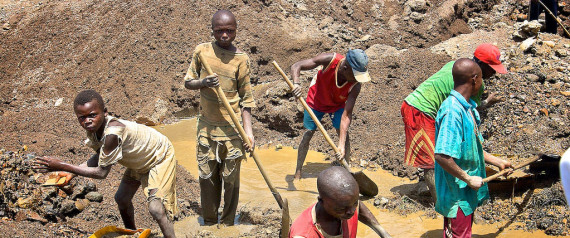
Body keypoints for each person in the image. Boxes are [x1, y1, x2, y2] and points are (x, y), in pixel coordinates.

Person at [34, 90, 177, 238]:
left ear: (105, 112)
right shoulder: (95, 130)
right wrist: (71, 173)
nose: (87, 120)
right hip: (139, 160)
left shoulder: (113, 133)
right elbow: (99, 157)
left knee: (156, 209)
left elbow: (101, 172)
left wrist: (62, 166)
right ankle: (132, 234)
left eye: (92, 115)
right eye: (82, 118)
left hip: (159, 156)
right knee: (121, 199)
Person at [401, 43, 507, 203]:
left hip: (425, 108)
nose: (493, 73)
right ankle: (441, 204)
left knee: (440, 151)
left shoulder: (456, 66)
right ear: (481, 65)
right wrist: (486, 102)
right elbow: (469, 112)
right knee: (432, 160)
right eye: (491, 68)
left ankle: (439, 188)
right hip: (420, 109)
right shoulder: (473, 83)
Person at [183, 9, 255, 226]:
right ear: (212, 30)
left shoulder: (241, 59)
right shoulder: (202, 52)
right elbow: (188, 82)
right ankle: (210, 222)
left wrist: (248, 133)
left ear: (236, 31)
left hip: (233, 131)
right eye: (219, 31)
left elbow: (247, 100)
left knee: (231, 181)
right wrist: (203, 83)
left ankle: (228, 224)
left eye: (229, 31)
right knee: (207, 179)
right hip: (206, 129)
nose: (224, 35)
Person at [434, 59, 512, 238]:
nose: (483, 83)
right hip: (457, 194)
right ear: (475, 79)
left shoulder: (468, 109)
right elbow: (441, 155)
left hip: (466, 191)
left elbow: (471, 147)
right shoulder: (453, 111)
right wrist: (467, 178)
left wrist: (498, 161)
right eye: (482, 78)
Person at [290, 49, 371, 180]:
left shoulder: (355, 86)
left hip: (337, 105)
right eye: (355, 75)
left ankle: (346, 171)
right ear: (345, 68)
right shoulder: (329, 60)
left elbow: (347, 114)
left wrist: (341, 145)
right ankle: (298, 173)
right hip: (316, 100)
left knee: (344, 137)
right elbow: (296, 66)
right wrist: (296, 84)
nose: (357, 79)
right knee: (307, 134)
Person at [289, 166, 391, 238]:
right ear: (321, 201)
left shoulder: (348, 204)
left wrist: (383, 233)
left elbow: (358, 206)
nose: (351, 211)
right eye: (342, 208)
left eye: (355, 202)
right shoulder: (304, 234)